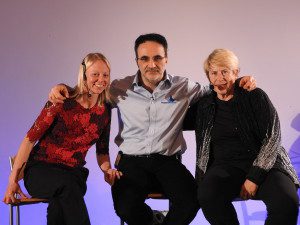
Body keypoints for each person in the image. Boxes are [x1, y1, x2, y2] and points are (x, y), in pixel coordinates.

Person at [48, 34, 256, 225]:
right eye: (144, 59)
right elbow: (90, 92)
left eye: (157, 58)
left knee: (192, 200)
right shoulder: (118, 88)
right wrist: (62, 87)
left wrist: (238, 82)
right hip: (131, 162)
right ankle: (154, 219)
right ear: (137, 61)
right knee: (125, 208)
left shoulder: (183, 87)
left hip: (168, 162)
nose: (151, 64)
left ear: (166, 59)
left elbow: (217, 87)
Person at [3, 53, 122, 225]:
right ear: (83, 75)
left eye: (105, 75)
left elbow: (102, 151)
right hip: (40, 171)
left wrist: (107, 170)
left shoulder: (105, 110)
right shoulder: (61, 100)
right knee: (68, 188)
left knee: (61, 202)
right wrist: (12, 180)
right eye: (95, 74)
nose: (101, 79)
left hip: (73, 174)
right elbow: (29, 140)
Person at [184, 49, 299, 225]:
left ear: (236, 73)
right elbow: (176, 121)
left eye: (225, 71)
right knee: (207, 196)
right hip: (225, 166)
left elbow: (273, 137)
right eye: (213, 73)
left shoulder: (255, 96)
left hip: (266, 164)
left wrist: (254, 177)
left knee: (287, 202)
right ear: (208, 76)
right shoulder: (204, 106)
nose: (219, 78)